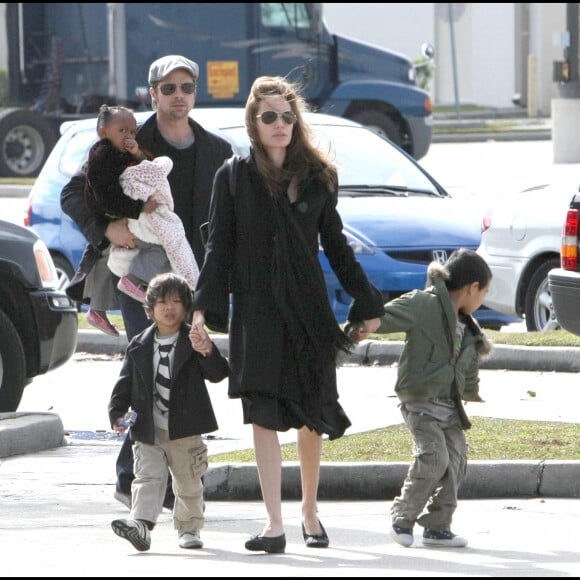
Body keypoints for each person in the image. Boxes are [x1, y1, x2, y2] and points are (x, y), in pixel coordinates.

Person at [188, 75, 385, 554]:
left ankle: (309, 512)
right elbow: (218, 247)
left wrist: (367, 303)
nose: (280, 124)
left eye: (288, 116)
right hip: (255, 309)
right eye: (270, 116)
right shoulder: (232, 176)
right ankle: (273, 523)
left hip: (308, 309)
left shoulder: (317, 177)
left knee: (311, 414)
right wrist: (201, 309)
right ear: (254, 123)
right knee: (261, 414)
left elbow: (337, 246)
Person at [61, 54, 233, 509]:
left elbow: (224, 221)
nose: (179, 96)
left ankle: (162, 484)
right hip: (139, 278)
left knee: (176, 370)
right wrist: (106, 229)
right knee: (150, 364)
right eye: (169, 88)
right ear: (152, 93)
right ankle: (134, 479)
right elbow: (73, 194)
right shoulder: (128, 139)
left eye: (187, 88)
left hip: (192, 276)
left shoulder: (216, 149)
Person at [349, 248, 492, 549]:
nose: (483, 299)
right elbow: (385, 316)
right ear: (472, 288)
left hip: (449, 407)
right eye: (485, 291)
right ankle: (402, 517)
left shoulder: (469, 328)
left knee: (456, 462)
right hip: (420, 401)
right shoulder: (423, 304)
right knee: (433, 457)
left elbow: (468, 366)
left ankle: (438, 526)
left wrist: (470, 391)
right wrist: (361, 326)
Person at [109, 272, 229, 552]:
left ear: (187, 307)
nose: (170, 307)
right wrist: (116, 412)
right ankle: (140, 525)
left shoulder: (192, 339)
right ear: (150, 309)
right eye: (162, 302)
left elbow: (218, 374)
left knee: (188, 481)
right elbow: (125, 382)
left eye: (177, 301)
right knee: (147, 478)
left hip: (185, 428)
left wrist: (207, 349)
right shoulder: (139, 343)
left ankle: (189, 528)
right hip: (147, 427)